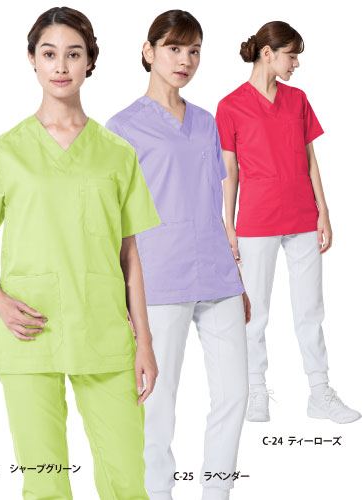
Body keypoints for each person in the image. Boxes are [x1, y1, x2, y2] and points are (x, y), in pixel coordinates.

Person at [0, 7, 161, 500]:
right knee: (45, 483)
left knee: (126, 480)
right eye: (49, 54)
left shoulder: (118, 153)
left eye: (74, 54)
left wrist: (145, 342)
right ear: (32, 59)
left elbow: (130, 255)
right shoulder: (4, 151)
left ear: (89, 61)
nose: (61, 66)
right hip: (29, 332)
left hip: (104, 331)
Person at [106, 10, 250, 500]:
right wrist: (122, 296)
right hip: (159, 280)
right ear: (148, 52)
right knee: (157, 402)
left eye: (193, 51)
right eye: (173, 48)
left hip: (218, 276)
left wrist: (237, 275)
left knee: (235, 394)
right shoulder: (122, 128)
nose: (184, 60)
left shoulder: (207, 123)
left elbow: (213, 206)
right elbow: (115, 223)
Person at [215, 21, 361, 424]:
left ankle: (320, 393)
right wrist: (228, 225)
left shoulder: (298, 100)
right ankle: (255, 391)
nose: (296, 64)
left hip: (302, 216)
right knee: (254, 311)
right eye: (291, 56)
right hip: (256, 220)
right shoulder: (230, 106)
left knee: (310, 309)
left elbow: (310, 159)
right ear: (268, 53)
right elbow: (230, 171)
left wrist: (324, 211)